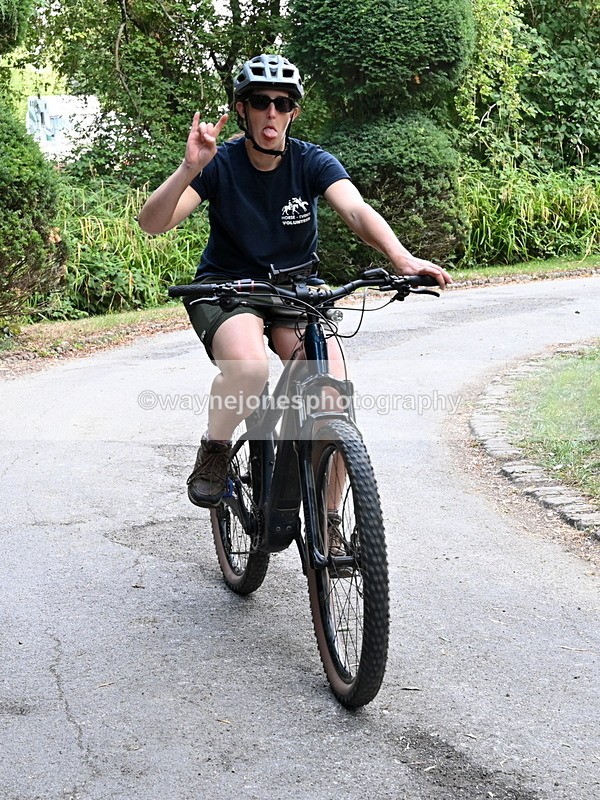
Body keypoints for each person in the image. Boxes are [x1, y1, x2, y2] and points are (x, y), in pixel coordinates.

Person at [138, 53, 452, 512]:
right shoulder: (219, 164)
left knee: (332, 395)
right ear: (242, 109)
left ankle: (330, 527)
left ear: (293, 112)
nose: (272, 112)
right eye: (260, 102)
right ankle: (216, 449)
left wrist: (401, 258)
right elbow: (153, 223)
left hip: (295, 289)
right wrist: (189, 168)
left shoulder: (311, 161)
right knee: (249, 370)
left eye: (282, 103)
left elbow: (356, 210)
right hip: (229, 288)